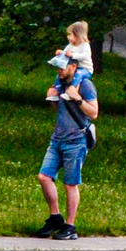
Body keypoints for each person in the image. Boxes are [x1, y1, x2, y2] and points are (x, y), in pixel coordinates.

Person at [36, 50, 98, 239]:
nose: (59, 71)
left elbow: (93, 113)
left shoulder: (85, 85)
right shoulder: (61, 83)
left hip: (76, 141)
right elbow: (61, 109)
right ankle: (55, 216)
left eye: (63, 67)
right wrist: (52, 98)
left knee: (70, 184)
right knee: (44, 177)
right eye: (58, 67)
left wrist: (77, 98)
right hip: (58, 139)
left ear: (73, 66)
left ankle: (70, 227)